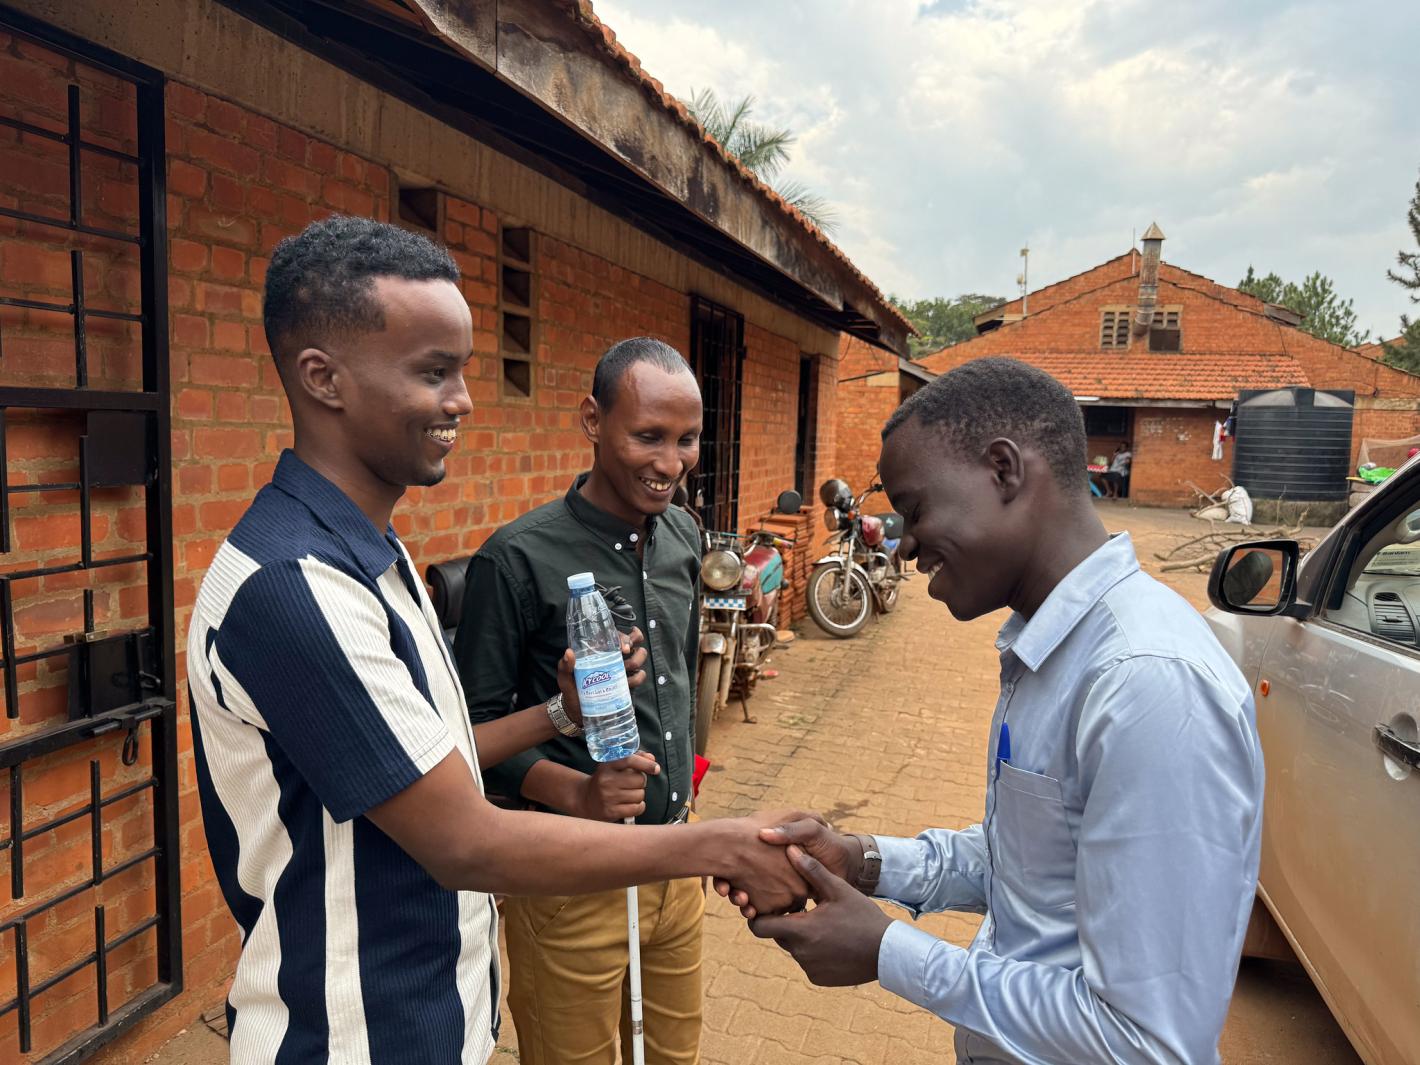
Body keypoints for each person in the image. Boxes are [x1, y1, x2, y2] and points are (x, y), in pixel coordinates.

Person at [185, 216, 808, 1064]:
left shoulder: (373, 557)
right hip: (354, 1035)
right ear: (323, 378)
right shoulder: (295, 590)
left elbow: (441, 753)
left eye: (464, 370)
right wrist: (717, 843)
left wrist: (560, 711)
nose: (464, 401)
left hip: (431, 1013)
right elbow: (465, 838)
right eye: (433, 372)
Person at [725, 357, 1263, 1064]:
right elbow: (1031, 865)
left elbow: (1145, 1041)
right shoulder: (1050, 650)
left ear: (1005, 470)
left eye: (916, 509)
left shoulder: (1146, 685)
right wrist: (860, 861)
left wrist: (889, 950)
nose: (905, 541)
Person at [455, 337, 707, 1065]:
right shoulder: (517, 557)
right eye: (648, 436)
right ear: (593, 420)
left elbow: (680, 678)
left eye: (686, 439)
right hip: (567, 880)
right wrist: (577, 789)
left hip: (674, 862)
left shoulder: (683, 535)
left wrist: (686, 771)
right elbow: (468, 736)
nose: (669, 462)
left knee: (674, 1055)